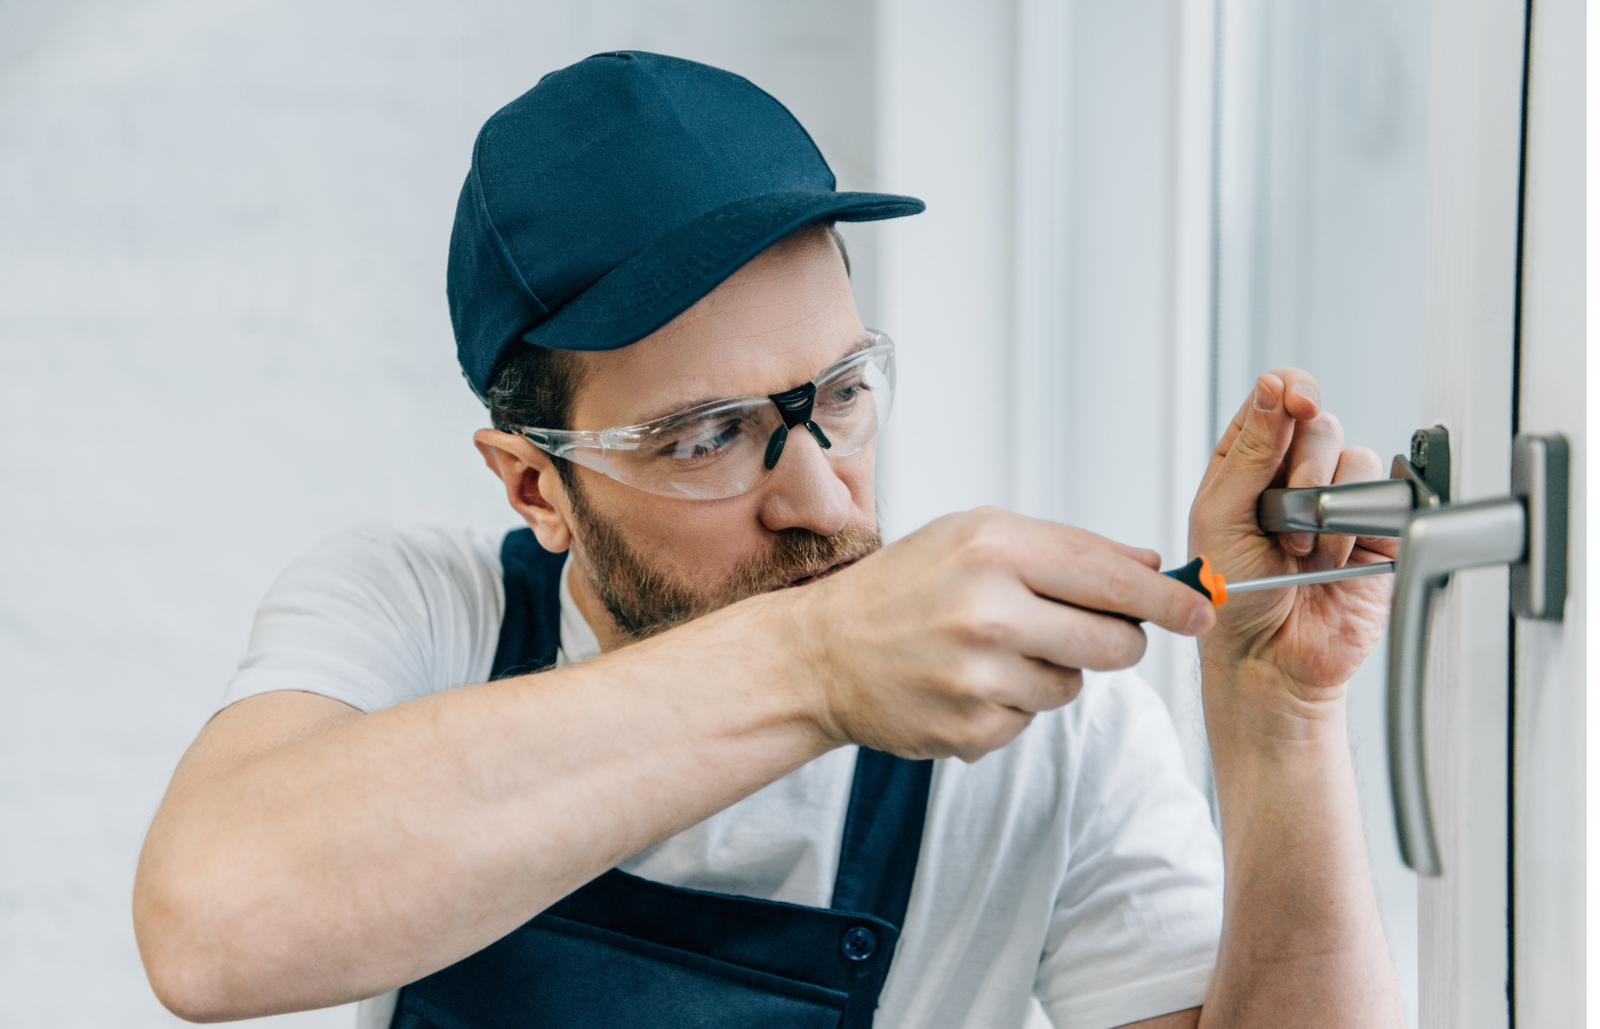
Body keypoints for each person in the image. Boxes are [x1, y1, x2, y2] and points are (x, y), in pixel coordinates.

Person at [133, 51, 1404, 1029]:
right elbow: (211, 927)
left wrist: (1275, 723)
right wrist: (821, 662)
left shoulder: (1042, 741)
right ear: (534, 486)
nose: (825, 504)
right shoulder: (420, 615)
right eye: (706, 438)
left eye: (839, 396)